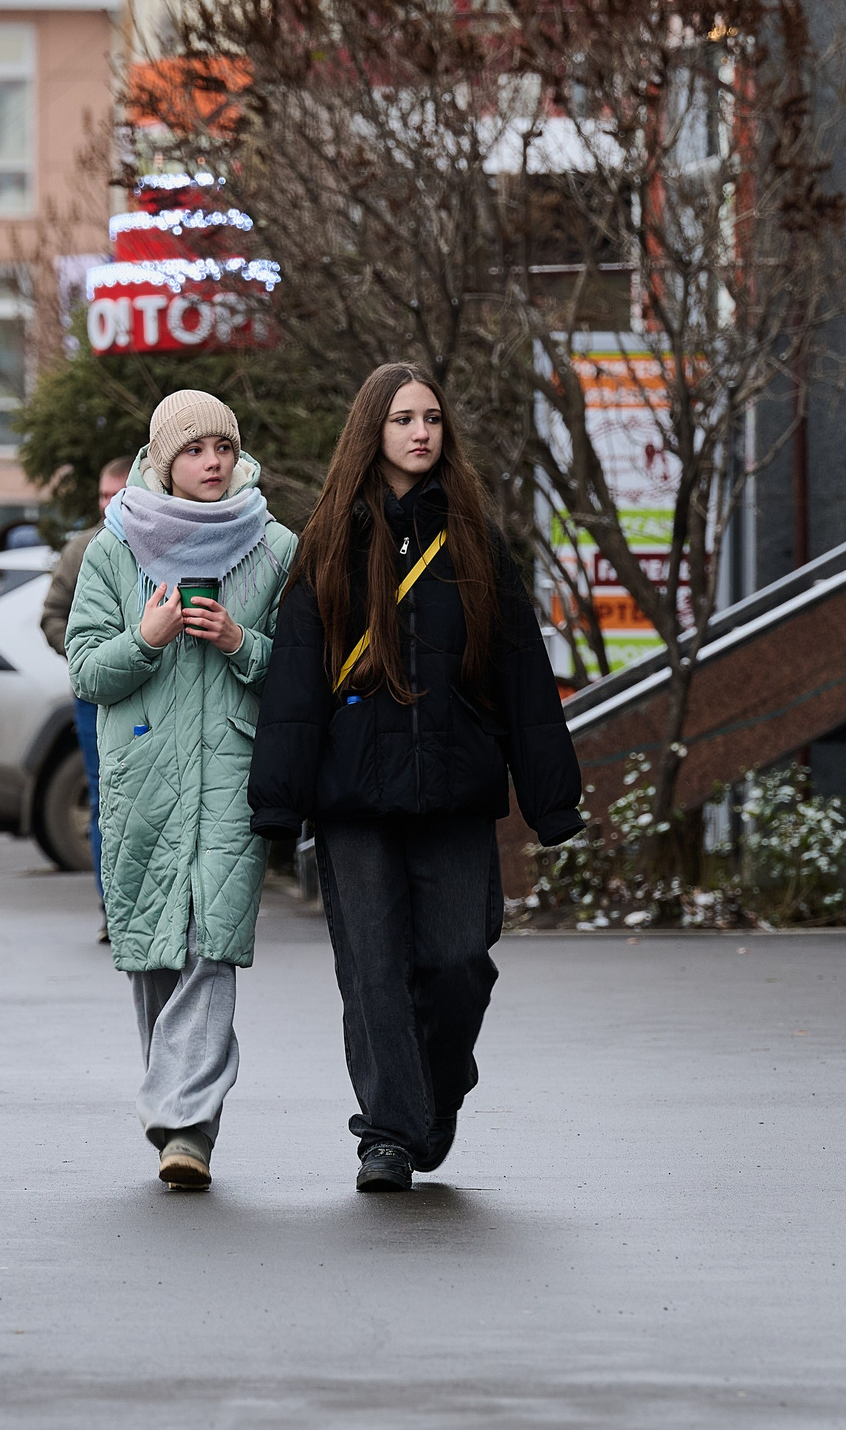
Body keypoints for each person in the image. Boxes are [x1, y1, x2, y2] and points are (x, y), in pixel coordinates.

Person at [248, 363, 584, 1194]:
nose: (421, 432)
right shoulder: (330, 540)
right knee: (373, 969)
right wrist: (279, 802)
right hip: (355, 795)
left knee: (459, 957)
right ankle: (390, 1133)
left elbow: (521, 673)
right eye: (403, 418)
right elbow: (296, 681)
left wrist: (552, 800)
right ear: (373, 430)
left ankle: (439, 1082)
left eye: (431, 418)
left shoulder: (475, 541)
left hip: (453, 787)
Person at [65, 392, 295, 1192]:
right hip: (143, 776)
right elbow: (86, 670)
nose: (212, 462)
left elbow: (301, 672)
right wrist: (145, 639)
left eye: (223, 447)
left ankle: (187, 1124)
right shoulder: (115, 547)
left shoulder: (274, 547)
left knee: (210, 943)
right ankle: (175, 1110)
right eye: (194, 449)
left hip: (231, 776)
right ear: (164, 461)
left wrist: (241, 641)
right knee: (155, 951)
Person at [42, 455, 135, 934]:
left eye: (118, 494)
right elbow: (53, 615)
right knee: (105, 798)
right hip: (94, 696)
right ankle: (112, 910)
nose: (108, 504)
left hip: (148, 691)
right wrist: (86, 653)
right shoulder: (82, 550)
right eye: (102, 495)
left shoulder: (161, 544)